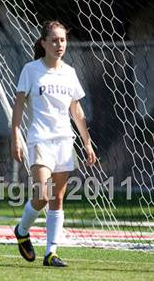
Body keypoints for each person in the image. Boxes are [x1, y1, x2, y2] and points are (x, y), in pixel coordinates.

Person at [11, 20, 96, 267]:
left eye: (63, 40)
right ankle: (22, 229)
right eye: (55, 40)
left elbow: (76, 110)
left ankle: (51, 253)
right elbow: (19, 104)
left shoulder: (69, 72)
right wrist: (15, 133)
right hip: (39, 139)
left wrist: (87, 142)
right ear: (43, 43)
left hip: (64, 141)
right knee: (42, 194)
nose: (60, 44)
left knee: (57, 198)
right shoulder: (30, 70)